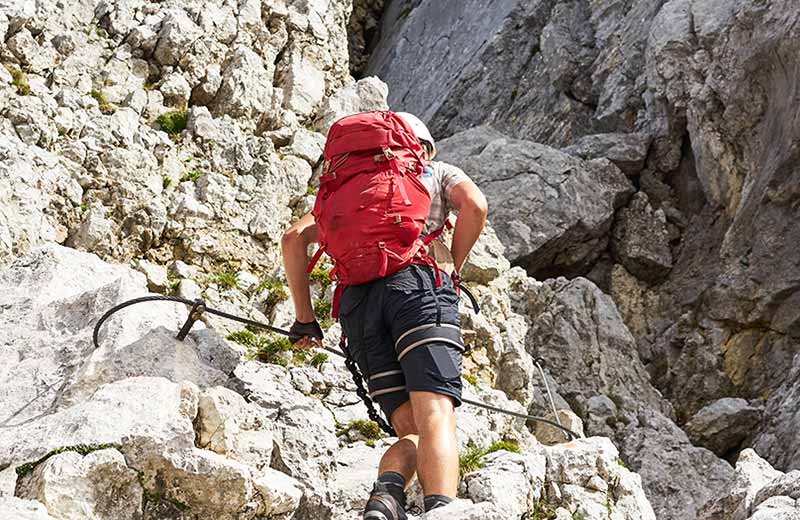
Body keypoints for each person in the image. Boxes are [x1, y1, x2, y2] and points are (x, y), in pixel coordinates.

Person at [281, 112, 488, 519]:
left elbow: (293, 238)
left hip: (359, 306)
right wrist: (453, 268)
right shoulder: (436, 171)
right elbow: (476, 206)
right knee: (435, 414)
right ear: (422, 148)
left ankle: (387, 497)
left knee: (410, 428)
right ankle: (441, 511)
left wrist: (305, 318)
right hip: (419, 289)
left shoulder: (346, 189)